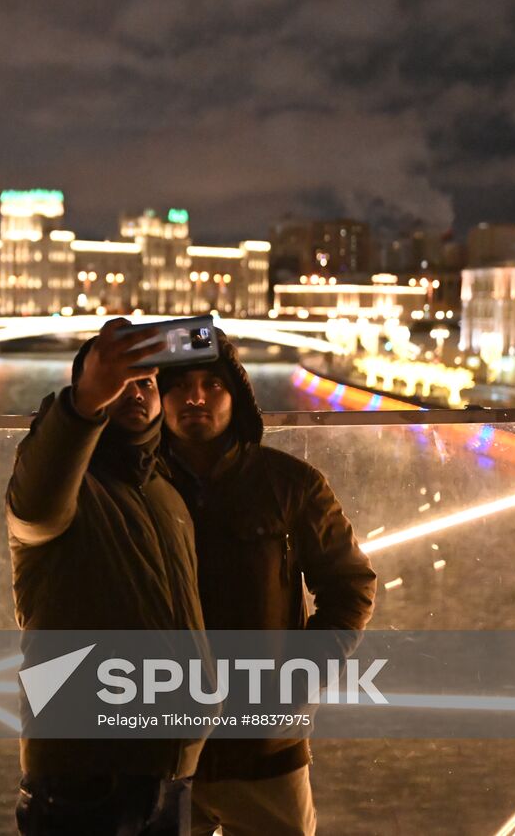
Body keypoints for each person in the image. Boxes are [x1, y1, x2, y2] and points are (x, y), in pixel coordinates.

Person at [156, 330, 377, 836]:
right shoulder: (134, 490)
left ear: (237, 395)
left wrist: (294, 686)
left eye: (212, 383)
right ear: (158, 399)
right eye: (179, 385)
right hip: (159, 749)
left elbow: (350, 587)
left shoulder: (292, 484)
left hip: (263, 746)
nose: (195, 397)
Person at [5, 318, 208, 836]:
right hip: (84, 770)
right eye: (120, 382)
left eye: (146, 383)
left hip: (170, 768)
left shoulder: (165, 494)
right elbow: (37, 497)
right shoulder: (62, 484)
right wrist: (82, 403)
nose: (135, 391)